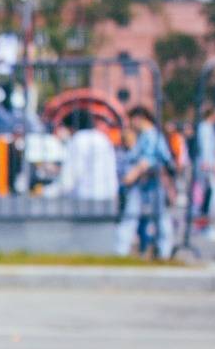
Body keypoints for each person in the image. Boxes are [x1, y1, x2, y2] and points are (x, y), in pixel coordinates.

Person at [117, 106, 174, 257]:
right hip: (147, 182)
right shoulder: (148, 135)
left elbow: (147, 160)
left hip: (150, 181)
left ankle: (162, 251)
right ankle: (162, 251)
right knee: (157, 218)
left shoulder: (150, 135)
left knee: (150, 217)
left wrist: (131, 175)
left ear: (140, 118)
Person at [54, 109, 119, 202]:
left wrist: (45, 192)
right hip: (108, 197)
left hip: (86, 200)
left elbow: (69, 179)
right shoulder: (103, 138)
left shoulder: (78, 139)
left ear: (72, 127)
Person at [195, 103, 215, 232]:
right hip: (206, 165)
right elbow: (205, 147)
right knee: (213, 194)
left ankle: (204, 224)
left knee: (211, 194)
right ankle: (206, 225)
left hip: (209, 164)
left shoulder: (208, 127)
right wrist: (208, 163)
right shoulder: (205, 127)